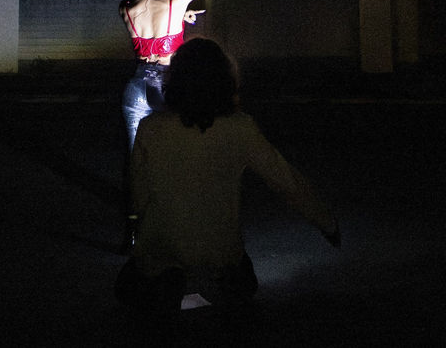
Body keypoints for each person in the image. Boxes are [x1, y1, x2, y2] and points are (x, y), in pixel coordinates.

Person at [116, 37, 340, 312]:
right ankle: (210, 284)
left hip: (161, 253)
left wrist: (140, 230)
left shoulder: (150, 128)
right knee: (243, 280)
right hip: (220, 253)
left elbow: (139, 196)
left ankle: (173, 283)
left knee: (129, 284)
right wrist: (327, 222)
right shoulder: (240, 128)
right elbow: (285, 181)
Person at [118, 0, 290, 151]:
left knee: (137, 156)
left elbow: (151, 31)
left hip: (135, 89)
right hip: (165, 88)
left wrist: (181, 17)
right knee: (175, 154)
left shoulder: (126, 8)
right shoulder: (177, 0)